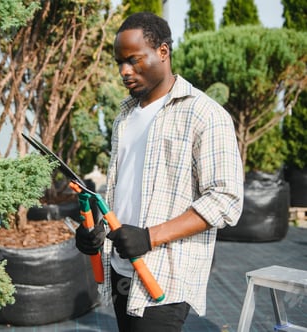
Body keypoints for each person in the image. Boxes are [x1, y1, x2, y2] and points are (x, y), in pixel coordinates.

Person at [75, 12, 244, 332]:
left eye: (133, 60)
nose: (125, 71)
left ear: (163, 52)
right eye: (119, 63)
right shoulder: (124, 117)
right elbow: (123, 188)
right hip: (121, 266)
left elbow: (226, 200)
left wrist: (149, 237)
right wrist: (94, 229)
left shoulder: (205, 114)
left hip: (165, 272)